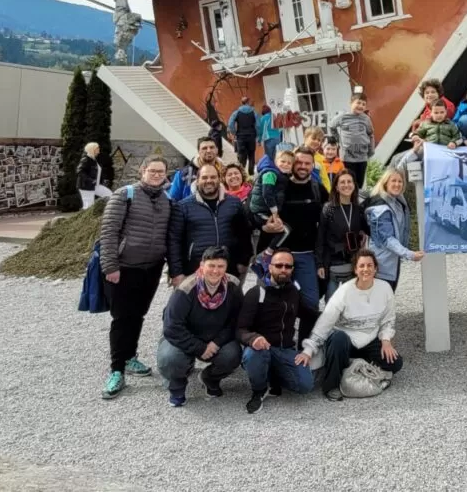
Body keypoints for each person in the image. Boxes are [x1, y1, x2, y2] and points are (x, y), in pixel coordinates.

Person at [98, 156, 173, 400]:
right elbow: (109, 231)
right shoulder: (124, 195)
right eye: (153, 171)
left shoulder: (166, 199)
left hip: (151, 268)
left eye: (161, 172)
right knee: (121, 317)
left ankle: (130, 357)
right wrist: (110, 265)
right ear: (143, 171)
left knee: (138, 314)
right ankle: (116, 369)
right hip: (124, 266)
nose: (157, 175)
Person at [296, 249, 403, 401]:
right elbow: (325, 322)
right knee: (338, 338)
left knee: (395, 363)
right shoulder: (344, 291)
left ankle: (355, 364)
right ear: (355, 269)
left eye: (369, 265)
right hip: (345, 339)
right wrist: (308, 350)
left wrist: (386, 341)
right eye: (362, 266)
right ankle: (331, 386)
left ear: (375, 268)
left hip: (369, 338)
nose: (366, 269)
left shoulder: (385, 288)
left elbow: (388, 319)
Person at [157, 246, 243, 407]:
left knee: (233, 354)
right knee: (170, 359)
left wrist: (216, 342)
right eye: (211, 266)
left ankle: (210, 378)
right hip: (185, 336)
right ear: (202, 265)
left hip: (214, 337)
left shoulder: (233, 286)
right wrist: (199, 348)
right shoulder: (185, 289)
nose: (215, 271)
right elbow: (172, 327)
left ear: (226, 267)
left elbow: (236, 321)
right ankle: (177, 386)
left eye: (220, 266)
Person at [238, 248, 318, 414]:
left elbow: (308, 314)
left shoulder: (293, 291)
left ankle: (272, 374)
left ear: (292, 269)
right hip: (261, 348)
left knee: (305, 385)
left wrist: (335, 315)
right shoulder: (256, 293)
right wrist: (253, 338)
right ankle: (258, 390)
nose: (283, 269)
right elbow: (240, 329)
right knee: (253, 355)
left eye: (288, 266)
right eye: (279, 265)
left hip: (285, 349)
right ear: (270, 267)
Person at [260, 146, 328, 313]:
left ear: (313, 165)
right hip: (277, 255)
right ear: (291, 163)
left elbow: (330, 219)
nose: (303, 166)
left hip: (306, 254)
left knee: (311, 304)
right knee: (269, 303)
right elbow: (254, 210)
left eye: (307, 163)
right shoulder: (278, 184)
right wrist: (264, 226)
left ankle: (305, 339)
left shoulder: (318, 189)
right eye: (299, 162)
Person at [167, 163, 253, 281]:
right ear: (197, 181)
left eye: (213, 177)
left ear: (219, 180)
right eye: (205, 177)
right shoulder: (183, 207)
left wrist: (244, 261)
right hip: (194, 270)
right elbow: (174, 242)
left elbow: (244, 234)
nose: (209, 181)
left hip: (229, 269)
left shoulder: (234, 203)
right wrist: (176, 273)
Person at [364, 167, 425, 291]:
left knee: (387, 299)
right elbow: (387, 238)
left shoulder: (397, 201)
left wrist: (414, 151)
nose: (397, 184)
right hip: (381, 263)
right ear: (386, 182)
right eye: (393, 181)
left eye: (400, 181)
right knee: (380, 301)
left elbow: (402, 164)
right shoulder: (380, 206)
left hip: (392, 260)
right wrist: (409, 254)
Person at [317, 169, 369, 301]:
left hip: (353, 260)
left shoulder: (359, 209)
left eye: (349, 182)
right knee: (331, 300)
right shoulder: (329, 208)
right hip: (333, 260)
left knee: (352, 299)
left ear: (354, 185)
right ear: (336, 187)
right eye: (342, 182)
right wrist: (319, 264)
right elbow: (320, 236)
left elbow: (369, 230)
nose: (346, 185)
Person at [330, 92, 374, 190]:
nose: (361, 106)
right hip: (347, 157)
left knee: (359, 183)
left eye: (363, 104)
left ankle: (356, 203)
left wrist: (371, 150)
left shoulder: (366, 118)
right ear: (351, 103)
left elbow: (370, 134)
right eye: (358, 103)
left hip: (362, 157)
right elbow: (332, 126)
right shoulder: (343, 117)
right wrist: (338, 140)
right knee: (348, 182)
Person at [169, 136, 223, 201]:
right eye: (204, 148)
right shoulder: (183, 174)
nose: (209, 150)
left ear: (217, 150)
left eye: (212, 147)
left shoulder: (225, 172)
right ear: (198, 151)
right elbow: (173, 201)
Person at [228, 97, 259, 175]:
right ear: (248, 102)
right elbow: (258, 125)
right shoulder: (254, 112)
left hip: (241, 137)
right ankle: (251, 173)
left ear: (241, 103)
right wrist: (258, 135)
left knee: (242, 155)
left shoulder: (236, 112)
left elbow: (230, 124)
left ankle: (242, 174)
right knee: (251, 155)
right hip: (251, 136)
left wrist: (234, 132)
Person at [77, 141, 112, 209]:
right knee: (88, 206)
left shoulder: (93, 159)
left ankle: (108, 211)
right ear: (92, 149)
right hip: (86, 186)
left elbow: (97, 172)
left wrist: (103, 180)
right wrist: (90, 180)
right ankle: (85, 219)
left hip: (96, 185)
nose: (99, 150)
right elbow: (80, 171)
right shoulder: (86, 159)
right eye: (97, 148)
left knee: (110, 195)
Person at [302, 126, 332, 193]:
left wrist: (329, 193)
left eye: (319, 140)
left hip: (316, 192)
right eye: (314, 138)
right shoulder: (295, 153)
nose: (316, 141)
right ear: (305, 137)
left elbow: (324, 178)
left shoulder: (320, 158)